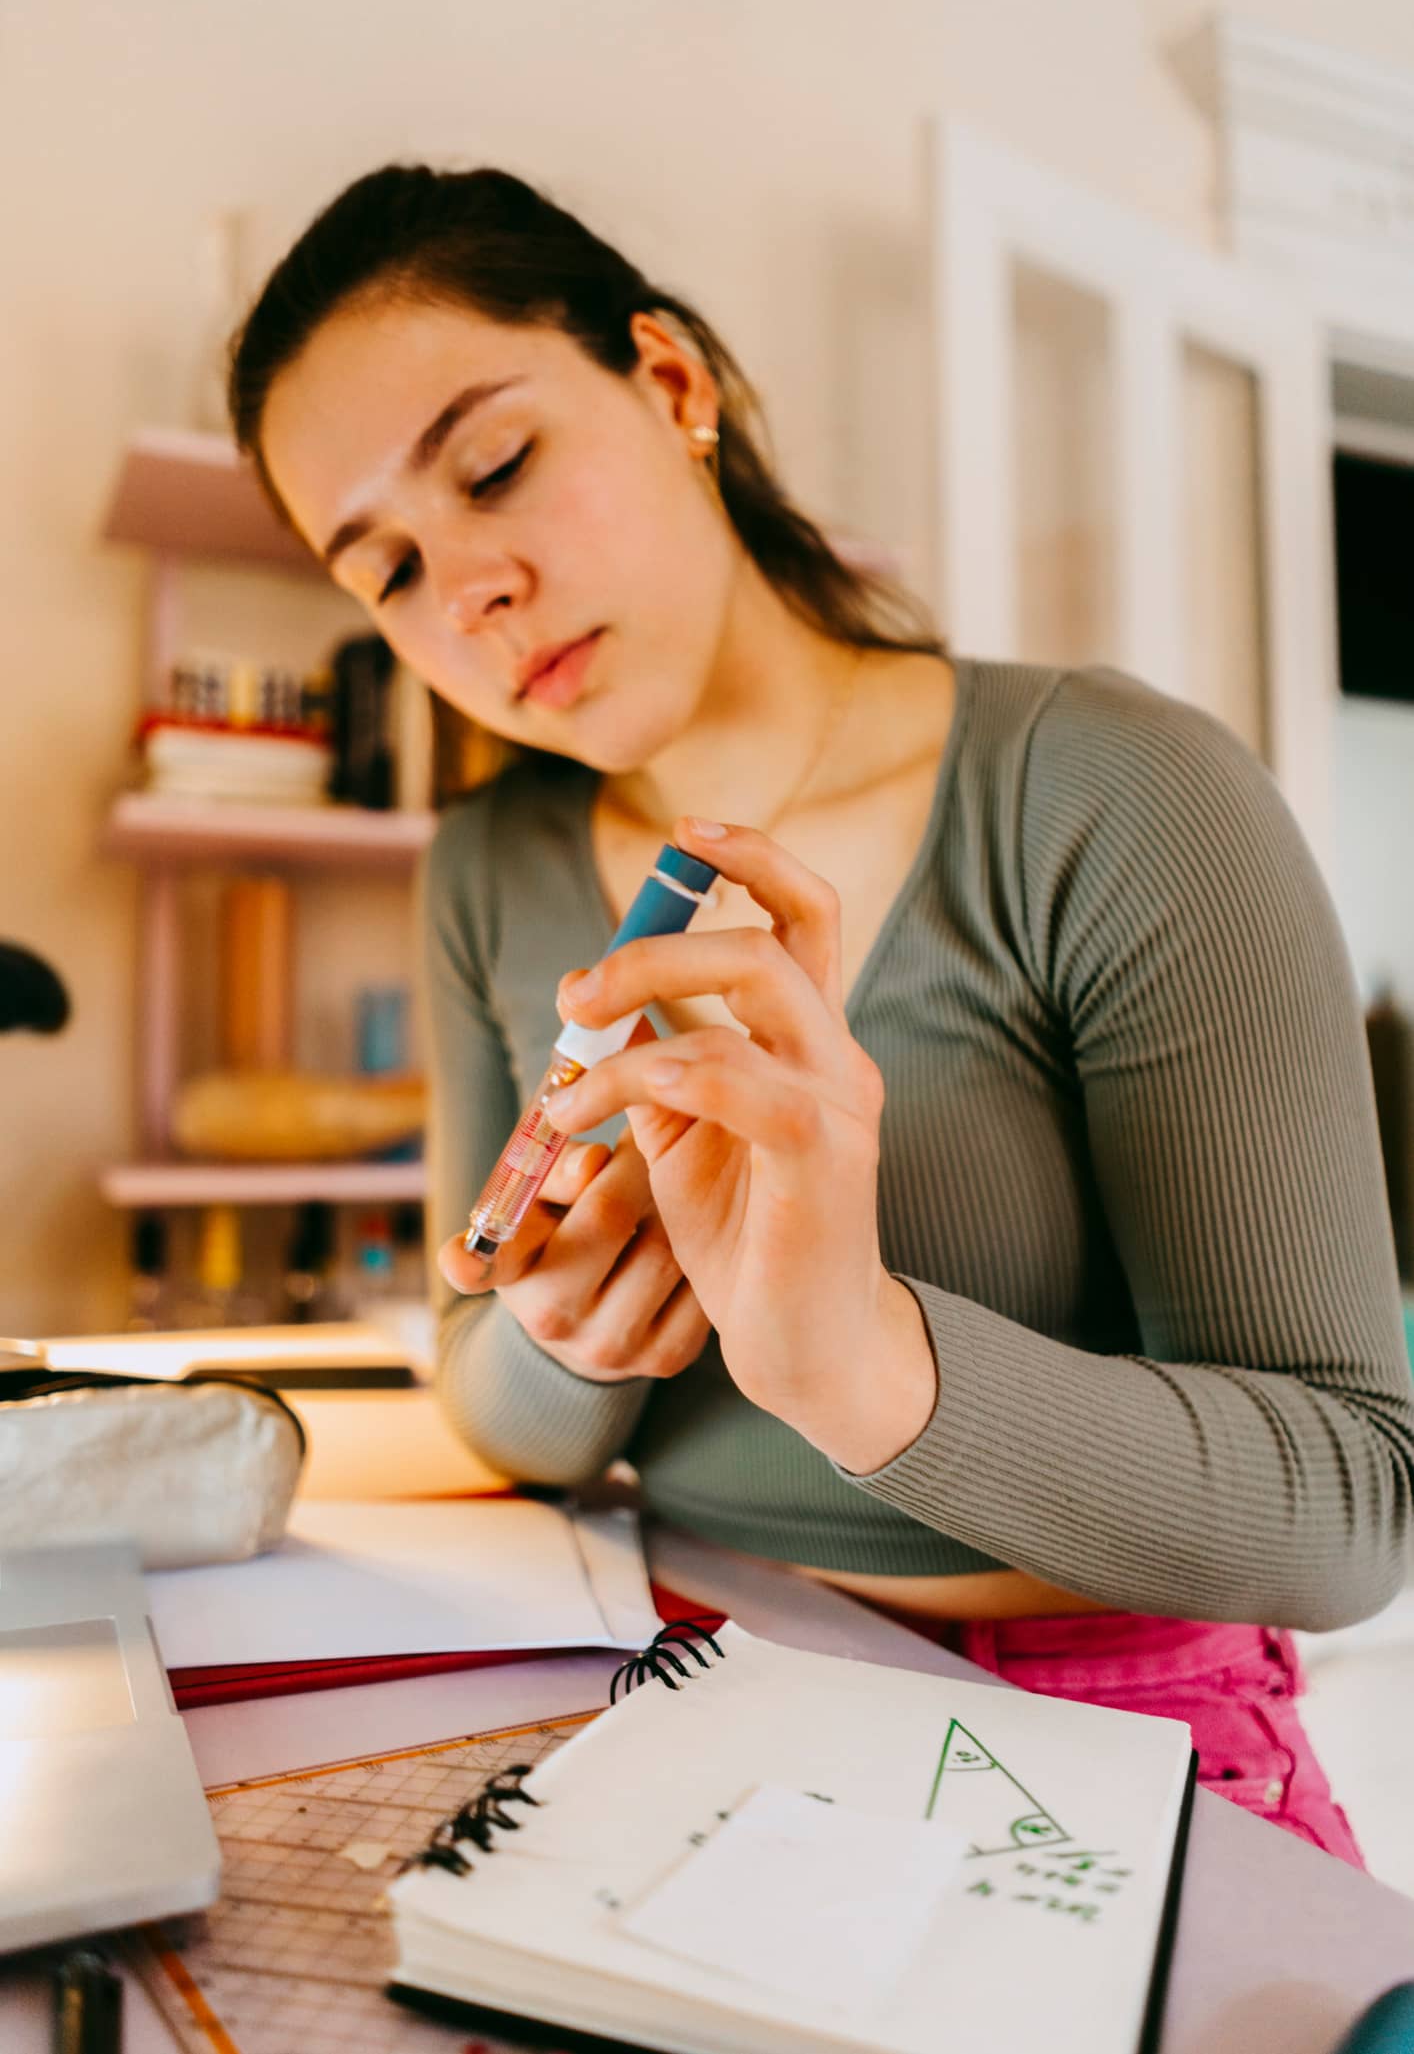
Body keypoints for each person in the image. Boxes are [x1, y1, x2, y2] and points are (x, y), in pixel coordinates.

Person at [229, 163, 1414, 1866]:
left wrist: (861, 1356)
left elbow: (1354, 1500)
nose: (468, 589)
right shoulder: (487, 868)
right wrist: (570, 1344)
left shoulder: (1106, 792)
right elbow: (478, 1371)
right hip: (675, 1686)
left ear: (670, 384)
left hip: (1096, 1740)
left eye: (495, 466)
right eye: (390, 569)